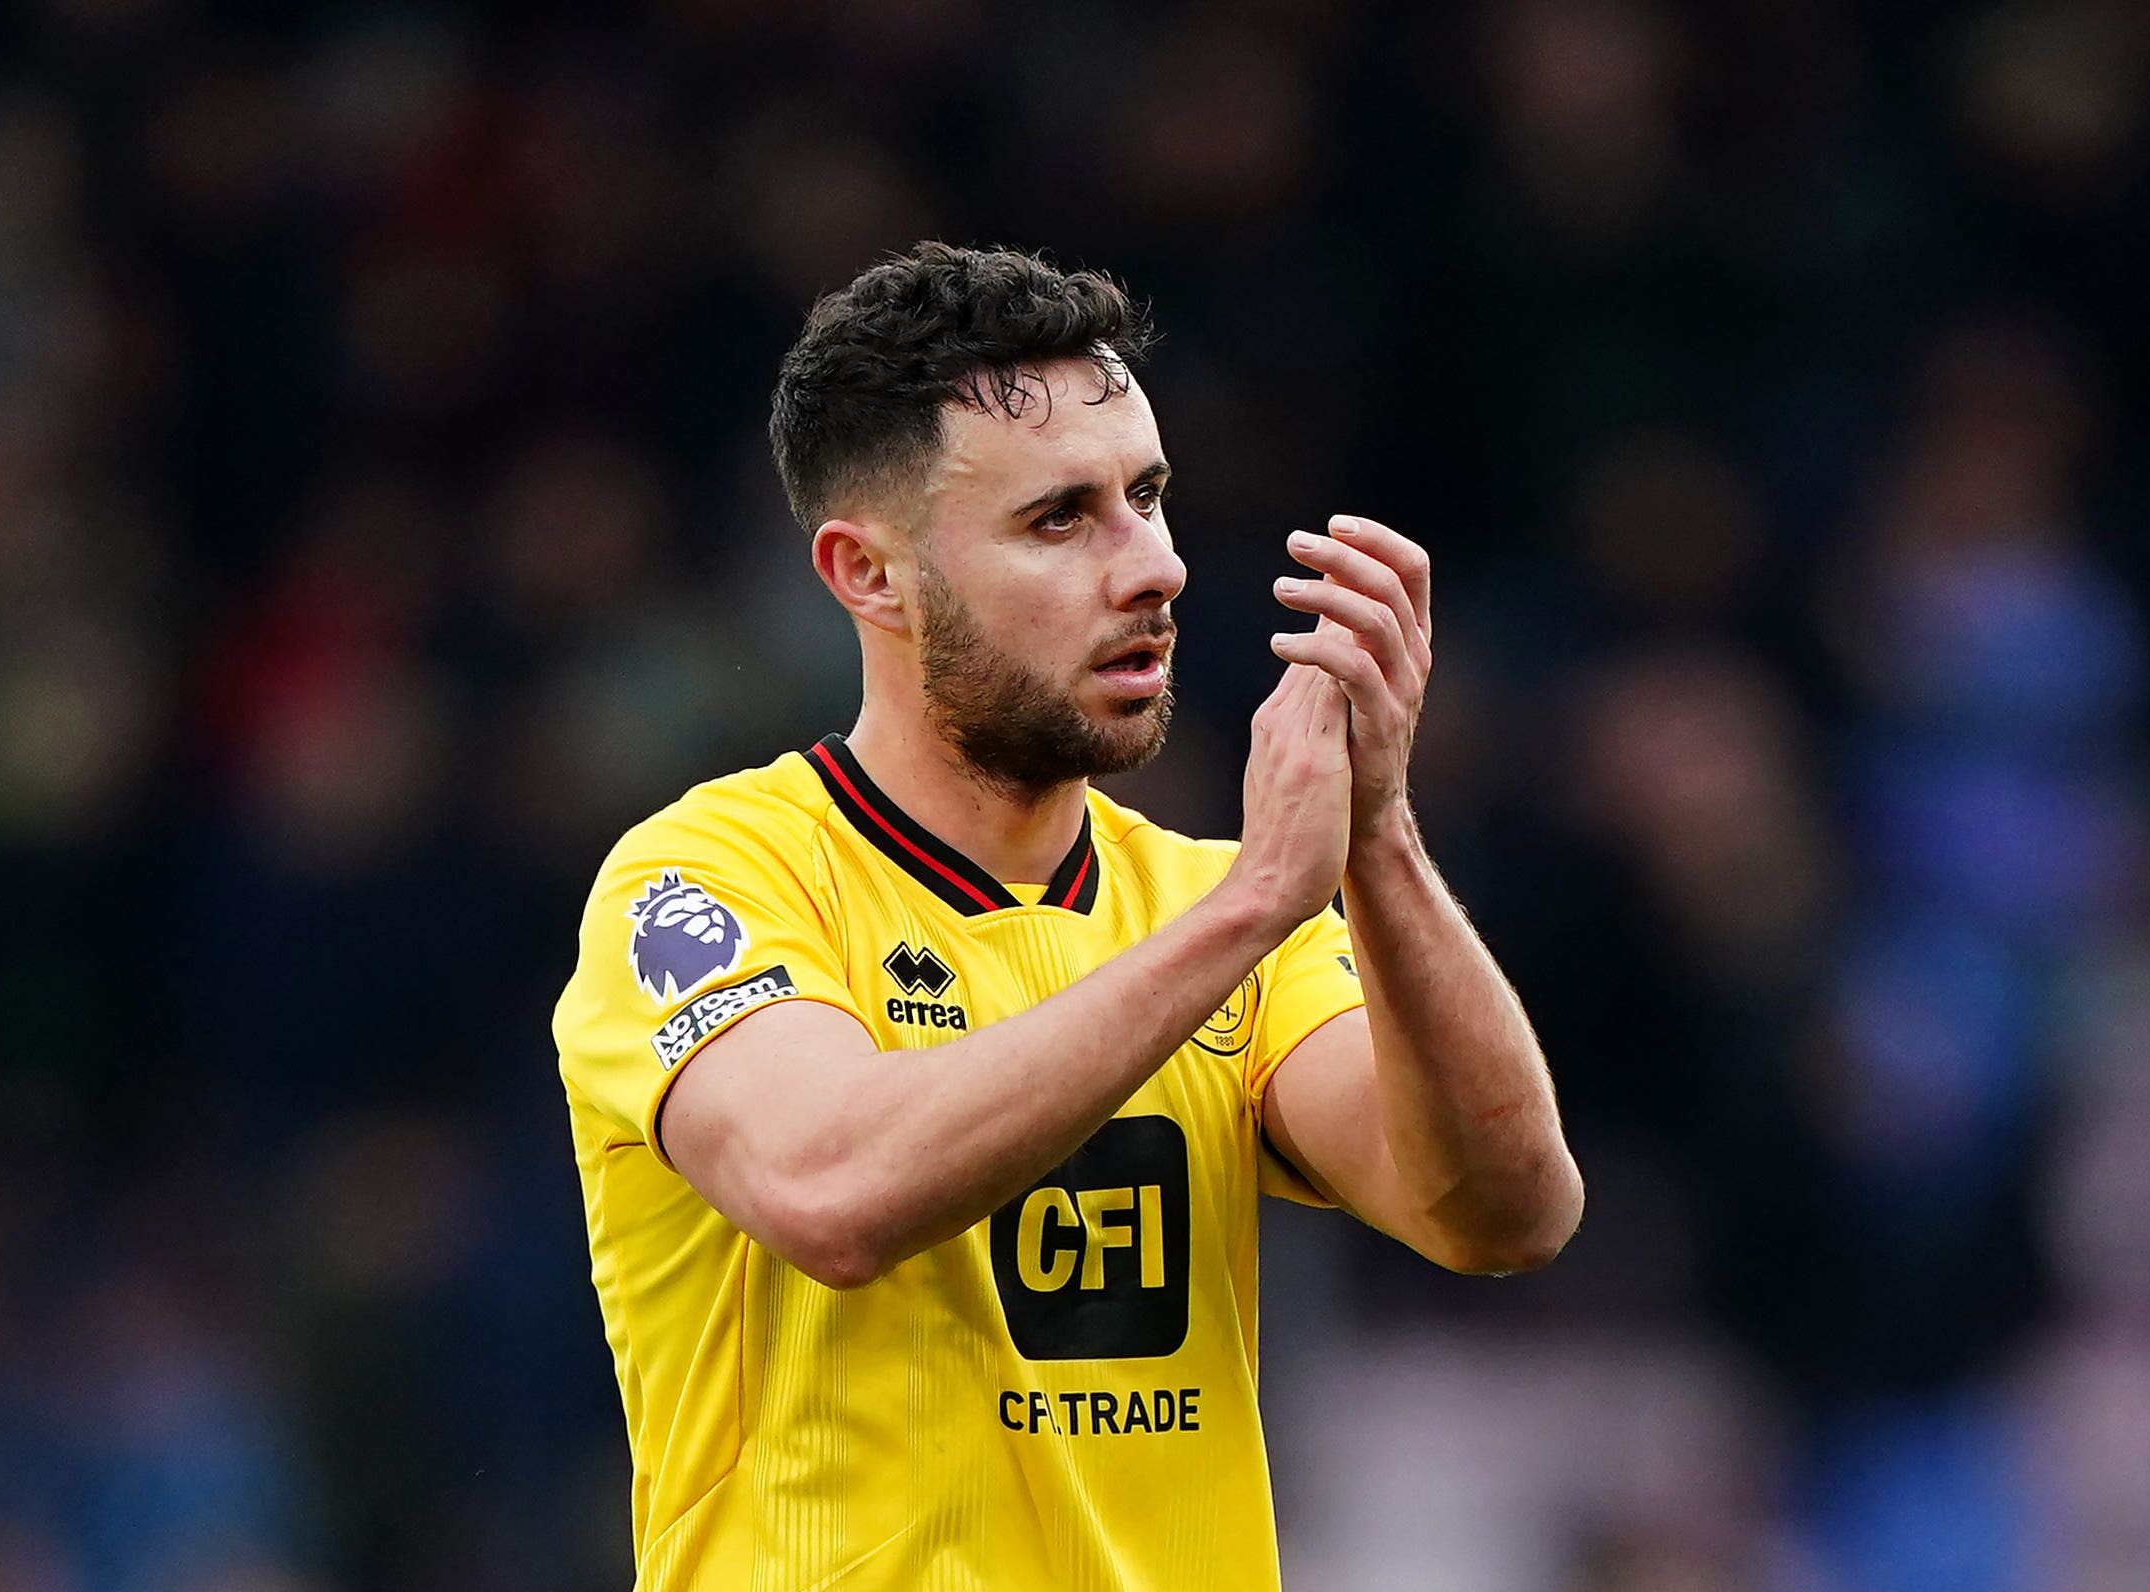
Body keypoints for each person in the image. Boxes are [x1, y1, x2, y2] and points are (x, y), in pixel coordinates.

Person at [552, 242, 1583, 1590]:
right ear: (871, 576)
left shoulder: (1208, 903)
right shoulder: (707, 878)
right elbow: (832, 1189)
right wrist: (1261, 903)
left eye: (1147, 498)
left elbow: (1506, 1215)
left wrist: (1376, 841)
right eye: (1061, 519)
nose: (1152, 564)